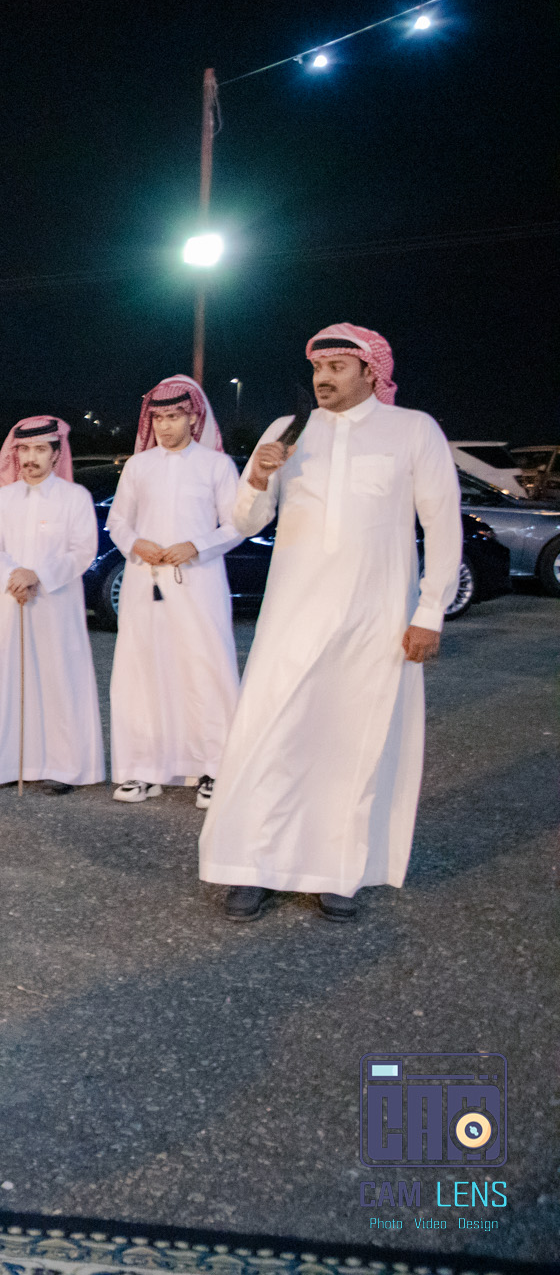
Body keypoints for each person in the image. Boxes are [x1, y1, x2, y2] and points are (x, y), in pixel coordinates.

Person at [201, 324, 459, 924]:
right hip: (293, 616)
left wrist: (429, 612)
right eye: (318, 367)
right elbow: (245, 520)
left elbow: (443, 525)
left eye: (338, 367)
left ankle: (340, 871)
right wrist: (259, 476)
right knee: (271, 734)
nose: (323, 377)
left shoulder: (413, 430)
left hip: (376, 619)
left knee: (353, 742)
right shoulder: (288, 430)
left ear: (371, 371)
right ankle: (251, 867)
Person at [106, 376, 243, 807]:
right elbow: (118, 522)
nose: (165, 426)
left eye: (174, 416)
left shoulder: (217, 465)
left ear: (193, 417)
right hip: (144, 582)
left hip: (199, 583)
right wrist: (136, 543)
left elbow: (236, 525)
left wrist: (196, 546)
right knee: (142, 670)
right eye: (159, 418)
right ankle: (144, 770)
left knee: (205, 669)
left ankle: (214, 770)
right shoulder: (138, 466)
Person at [0, 415, 103, 793]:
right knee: (14, 680)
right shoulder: (3, 498)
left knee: (59, 682)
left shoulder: (74, 497)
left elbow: (83, 551)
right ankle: (15, 763)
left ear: (55, 454)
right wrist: (13, 575)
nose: (30, 458)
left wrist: (38, 575)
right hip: (13, 600)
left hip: (57, 603)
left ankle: (64, 767)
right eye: (24, 449)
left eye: (39, 449)